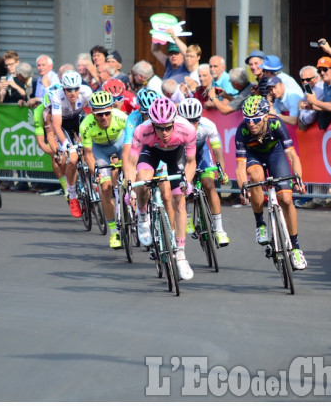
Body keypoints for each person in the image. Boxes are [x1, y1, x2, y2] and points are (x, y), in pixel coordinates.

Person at [234, 95, 307, 270]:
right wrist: (243, 189)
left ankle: (296, 248)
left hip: (275, 153)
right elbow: (240, 166)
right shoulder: (242, 131)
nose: (251, 124)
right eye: (248, 120)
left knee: (287, 200)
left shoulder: (276, 124)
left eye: (256, 119)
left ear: (266, 117)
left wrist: (298, 178)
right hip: (253, 155)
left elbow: (291, 155)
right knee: (255, 177)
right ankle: (260, 223)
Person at [128, 97, 197, 281]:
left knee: (179, 201)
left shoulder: (187, 130)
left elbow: (191, 162)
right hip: (151, 152)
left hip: (176, 156)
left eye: (168, 127)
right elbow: (132, 161)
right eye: (159, 128)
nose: (164, 132)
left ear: (174, 122)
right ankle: (142, 215)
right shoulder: (142, 130)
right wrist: (129, 186)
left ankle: (181, 254)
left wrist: (187, 182)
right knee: (143, 181)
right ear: (152, 125)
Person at [177, 98, 230, 246]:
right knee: (182, 185)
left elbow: (217, 151)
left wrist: (221, 171)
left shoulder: (208, 125)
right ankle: (187, 216)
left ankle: (219, 229)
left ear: (200, 118)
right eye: (187, 121)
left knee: (209, 185)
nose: (191, 125)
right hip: (181, 155)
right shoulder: (175, 127)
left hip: (201, 154)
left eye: (194, 121)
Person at [79, 91, 129, 248]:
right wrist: (97, 174)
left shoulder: (121, 117)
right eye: (100, 114)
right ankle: (114, 232)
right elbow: (88, 155)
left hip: (121, 145)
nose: (104, 118)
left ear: (111, 110)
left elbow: (133, 146)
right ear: (93, 113)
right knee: (105, 188)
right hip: (100, 151)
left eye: (107, 113)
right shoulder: (86, 126)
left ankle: (141, 215)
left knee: (131, 178)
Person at [51, 70, 93, 217]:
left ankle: (93, 184)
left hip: (80, 118)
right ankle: (73, 195)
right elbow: (56, 126)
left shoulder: (87, 92)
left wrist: (87, 137)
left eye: (76, 88)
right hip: (64, 124)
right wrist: (67, 146)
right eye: (69, 89)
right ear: (64, 89)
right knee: (73, 159)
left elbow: (94, 115)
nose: (73, 92)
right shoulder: (57, 97)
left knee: (89, 149)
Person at [297, 65, 324, 130]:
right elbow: (301, 102)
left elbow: (308, 119)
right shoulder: (309, 87)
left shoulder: (319, 90)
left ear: (316, 79)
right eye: (302, 80)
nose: (305, 82)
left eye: (308, 79)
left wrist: (301, 112)